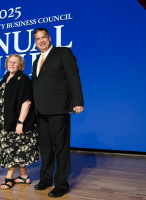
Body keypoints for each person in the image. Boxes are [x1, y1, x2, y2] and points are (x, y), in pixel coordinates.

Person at [32, 28, 84, 197]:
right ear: (35, 42)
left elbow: (73, 77)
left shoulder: (63, 53)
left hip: (58, 109)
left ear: (49, 38)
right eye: (37, 39)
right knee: (45, 148)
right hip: (40, 111)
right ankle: (46, 179)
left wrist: (77, 102)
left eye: (43, 37)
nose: (41, 41)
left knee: (60, 147)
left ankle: (61, 184)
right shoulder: (36, 61)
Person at [0, 54, 38, 190]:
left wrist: (20, 122)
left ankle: (9, 178)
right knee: (13, 150)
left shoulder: (23, 79)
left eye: (15, 63)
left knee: (12, 150)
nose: (12, 64)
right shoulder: (6, 78)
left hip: (15, 123)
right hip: (4, 122)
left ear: (20, 65)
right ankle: (24, 176)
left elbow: (27, 101)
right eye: (10, 62)